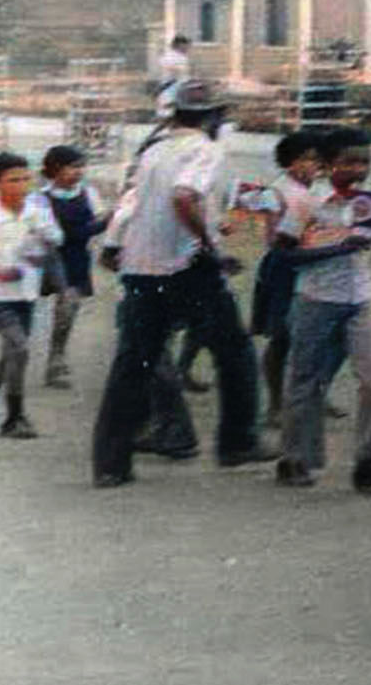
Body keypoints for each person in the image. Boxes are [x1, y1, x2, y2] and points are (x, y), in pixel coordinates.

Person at [91, 80, 272, 488]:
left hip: (140, 267)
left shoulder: (152, 151)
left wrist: (112, 245)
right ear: (212, 116)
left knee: (133, 364)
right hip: (187, 265)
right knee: (235, 353)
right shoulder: (205, 150)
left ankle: (110, 463)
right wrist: (211, 245)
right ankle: (237, 441)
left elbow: (127, 204)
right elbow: (185, 197)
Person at [273, 127, 371, 490]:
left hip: (358, 299)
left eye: (365, 162)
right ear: (328, 164)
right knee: (306, 379)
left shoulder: (365, 202)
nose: (359, 169)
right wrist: (337, 248)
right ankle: (294, 458)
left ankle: (369, 461)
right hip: (316, 300)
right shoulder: (306, 202)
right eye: (350, 162)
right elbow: (283, 252)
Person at [0, 153, 63, 437]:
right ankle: (14, 418)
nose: (21, 184)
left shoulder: (38, 212)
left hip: (25, 292)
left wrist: (42, 251)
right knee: (20, 349)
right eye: (12, 180)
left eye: (25, 178)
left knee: (11, 355)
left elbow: (52, 244)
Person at [248, 129, 326, 428]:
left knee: (316, 335)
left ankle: (315, 394)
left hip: (312, 263)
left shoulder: (315, 191)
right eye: (306, 159)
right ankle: (275, 405)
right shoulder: (277, 190)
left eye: (316, 160)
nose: (312, 165)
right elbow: (273, 234)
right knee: (281, 338)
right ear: (289, 162)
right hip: (283, 266)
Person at [37, 146, 110, 389]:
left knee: (67, 309)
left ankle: (56, 359)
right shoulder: (41, 197)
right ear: (55, 169)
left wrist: (105, 222)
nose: (78, 172)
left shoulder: (89, 193)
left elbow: (98, 222)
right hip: (46, 259)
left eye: (81, 167)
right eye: (72, 167)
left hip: (76, 259)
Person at [154, 36, 192, 120]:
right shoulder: (170, 56)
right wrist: (177, 70)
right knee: (169, 115)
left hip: (179, 88)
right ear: (180, 45)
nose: (187, 48)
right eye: (186, 46)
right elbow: (170, 68)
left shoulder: (181, 57)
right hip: (171, 88)